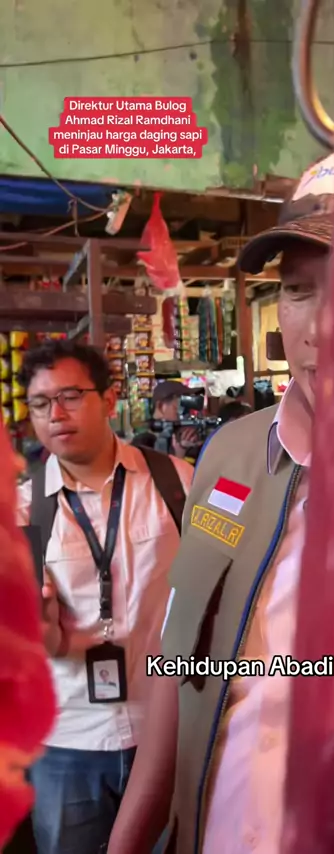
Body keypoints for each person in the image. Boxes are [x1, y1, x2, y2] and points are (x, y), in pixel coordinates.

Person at [107, 151, 334, 854]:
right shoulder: (230, 456)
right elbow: (182, 648)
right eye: (298, 290)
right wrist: (128, 839)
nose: (321, 328)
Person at [16, 339, 193, 854]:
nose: (55, 414)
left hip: (169, 729)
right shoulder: (24, 510)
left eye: (70, 396)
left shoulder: (176, 484)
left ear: (110, 399)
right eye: (41, 403)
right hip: (68, 740)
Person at [132, 380, 200, 461]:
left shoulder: (182, 438)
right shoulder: (144, 443)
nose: (186, 415)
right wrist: (179, 454)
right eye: (180, 409)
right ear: (161, 407)